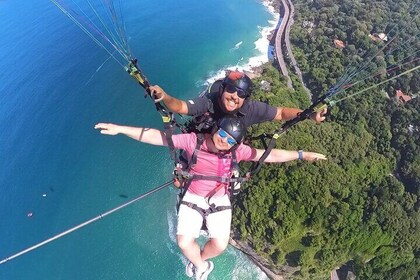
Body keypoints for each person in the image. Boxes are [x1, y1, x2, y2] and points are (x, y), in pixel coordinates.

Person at [94, 116, 326, 280]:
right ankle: (200, 266)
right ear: (214, 130)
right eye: (222, 134)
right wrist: (121, 129)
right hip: (193, 195)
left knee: (220, 244)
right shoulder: (193, 141)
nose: (224, 140)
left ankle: (200, 263)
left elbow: (269, 155)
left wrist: (301, 154)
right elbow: (158, 137)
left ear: (237, 143)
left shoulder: (238, 152)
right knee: (184, 242)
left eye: (230, 140)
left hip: (219, 197)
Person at [149, 71, 327, 132]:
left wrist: (310, 115)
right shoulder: (209, 102)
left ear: (245, 99)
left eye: (241, 94)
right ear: (222, 90)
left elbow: (280, 113)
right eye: (231, 90)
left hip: (226, 151)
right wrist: (165, 97)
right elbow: (181, 106)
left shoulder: (250, 109)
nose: (235, 96)